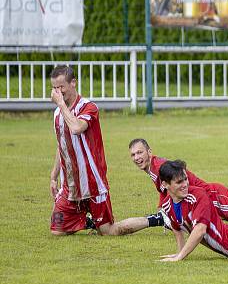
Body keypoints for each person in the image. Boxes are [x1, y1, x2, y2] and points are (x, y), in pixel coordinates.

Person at [49, 65, 162, 236]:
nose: (58, 92)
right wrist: (53, 175)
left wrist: (61, 106)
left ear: (73, 83)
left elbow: (76, 128)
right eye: (54, 88)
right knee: (57, 231)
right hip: (70, 186)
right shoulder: (58, 113)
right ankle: (89, 222)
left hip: (93, 184)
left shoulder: (88, 107)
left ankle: (157, 219)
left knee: (110, 231)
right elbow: (61, 144)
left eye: (61, 87)